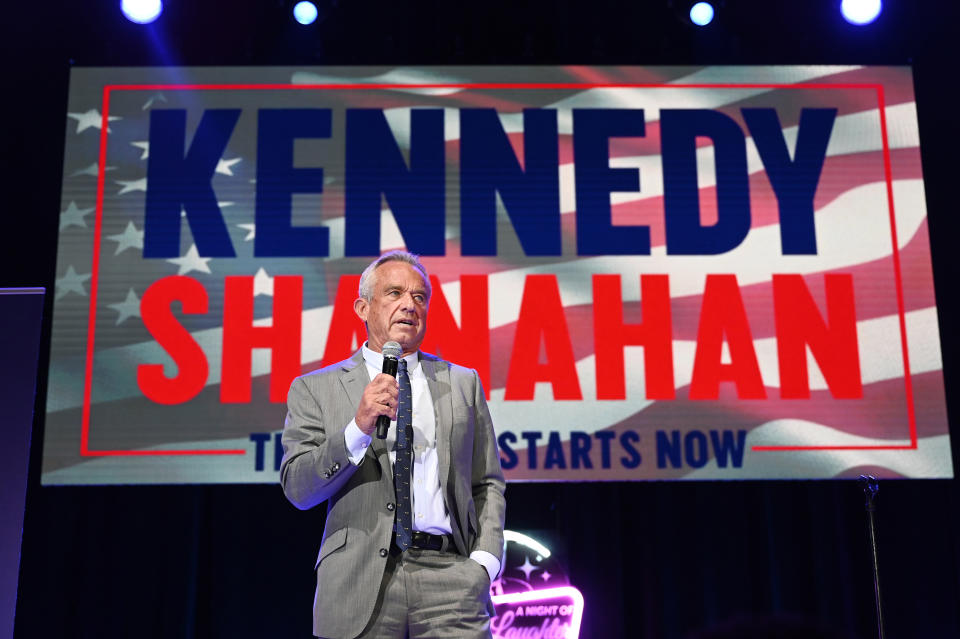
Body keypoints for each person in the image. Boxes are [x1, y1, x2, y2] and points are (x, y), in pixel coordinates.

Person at [280, 250, 506, 639]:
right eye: (395, 293)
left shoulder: (461, 382)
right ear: (363, 307)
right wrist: (358, 427)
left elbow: (487, 482)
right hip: (357, 581)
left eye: (419, 297)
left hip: (451, 580)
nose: (409, 305)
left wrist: (484, 562)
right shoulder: (315, 389)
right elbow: (299, 488)